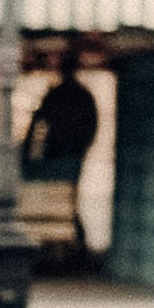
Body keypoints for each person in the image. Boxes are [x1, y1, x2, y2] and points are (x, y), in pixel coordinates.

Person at [18, 50, 100, 263]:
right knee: (68, 202)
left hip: (55, 156)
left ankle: (60, 246)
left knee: (52, 204)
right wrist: (80, 149)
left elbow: (39, 124)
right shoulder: (83, 95)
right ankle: (73, 246)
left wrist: (30, 154)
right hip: (70, 156)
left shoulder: (57, 95)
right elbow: (91, 127)